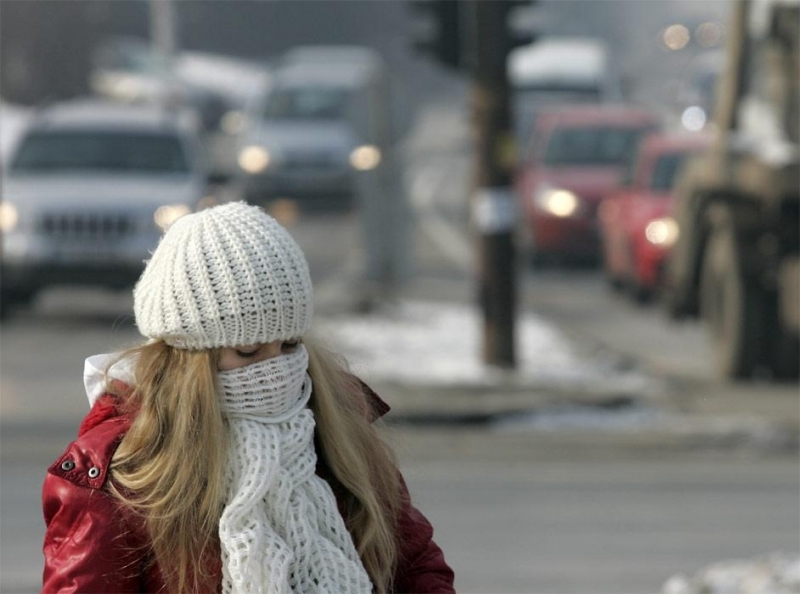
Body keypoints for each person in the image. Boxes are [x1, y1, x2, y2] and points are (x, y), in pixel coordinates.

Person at [42, 202, 455, 594]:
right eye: (248, 352)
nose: (275, 367)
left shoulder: (338, 430)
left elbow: (415, 566)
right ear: (190, 359)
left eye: (290, 345)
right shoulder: (122, 472)